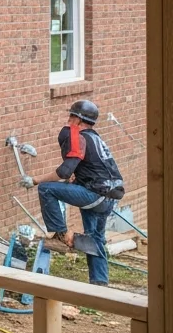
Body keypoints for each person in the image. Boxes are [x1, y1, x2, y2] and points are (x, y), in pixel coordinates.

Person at [28, 100, 124, 285]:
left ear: (78, 120)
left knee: (46, 188)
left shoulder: (79, 138)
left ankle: (60, 234)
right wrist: (78, 179)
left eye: (71, 117)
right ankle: (99, 284)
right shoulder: (95, 138)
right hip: (109, 197)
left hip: (96, 195)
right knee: (95, 239)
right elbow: (96, 169)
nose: (68, 121)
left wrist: (35, 180)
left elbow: (64, 172)